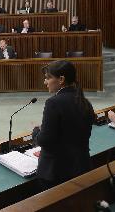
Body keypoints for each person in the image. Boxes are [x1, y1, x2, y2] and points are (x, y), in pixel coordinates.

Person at [32, 60, 95, 190]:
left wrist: (36, 132)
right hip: (81, 167)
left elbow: (45, 140)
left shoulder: (53, 103)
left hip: (56, 173)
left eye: (48, 78)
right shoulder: (85, 102)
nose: (45, 82)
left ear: (61, 79)